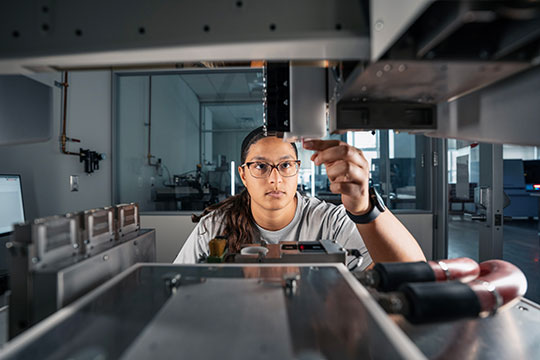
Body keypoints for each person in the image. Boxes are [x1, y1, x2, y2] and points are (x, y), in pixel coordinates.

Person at [174, 127, 426, 270]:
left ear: (296, 170)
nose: (275, 179)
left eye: (285, 165)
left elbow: (412, 271)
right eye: (261, 166)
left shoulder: (331, 222)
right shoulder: (215, 226)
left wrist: (364, 208)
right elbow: (178, 286)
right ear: (243, 174)